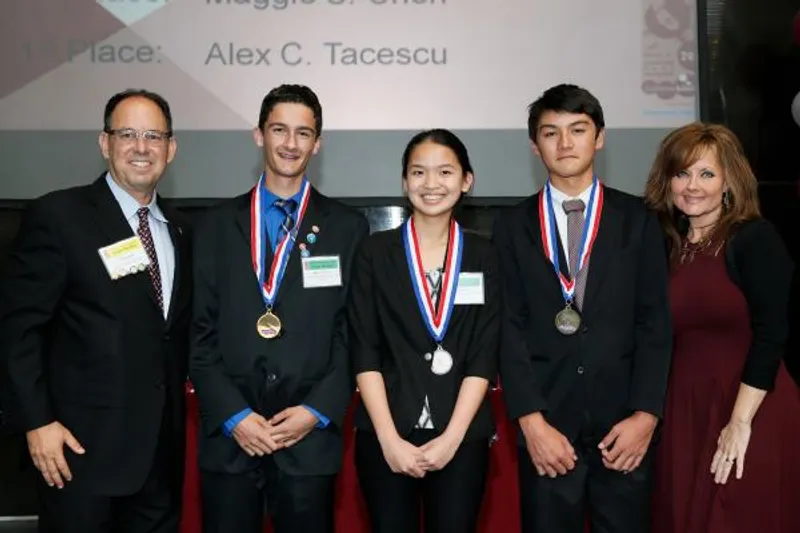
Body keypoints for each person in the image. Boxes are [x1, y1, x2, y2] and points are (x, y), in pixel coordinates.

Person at [0, 89, 191, 533]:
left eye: (153, 136)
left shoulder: (182, 229)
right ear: (104, 143)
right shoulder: (60, 216)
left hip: (159, 464)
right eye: (127, 134)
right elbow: (18, 330)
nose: (141, 148)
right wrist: (37, 422)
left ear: (172, 148)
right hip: (79, 458)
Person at [190, 84, 369, 533]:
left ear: (317, 143)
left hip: (308, 441)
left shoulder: (347, 228)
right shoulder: (213, 226)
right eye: (279, 130)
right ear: (258, 135)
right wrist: (234, 415)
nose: (291, 144)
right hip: (232, 439)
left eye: (303, 133)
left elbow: (354, 333)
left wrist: (317, 411)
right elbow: (199, 331)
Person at [493, 83, 672, 533]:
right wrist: (531, 423)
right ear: (535, 147)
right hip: (549, 430)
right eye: (551, 133)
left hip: (624, 429)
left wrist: (645, 416)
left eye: (578, 129)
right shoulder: (511, 225)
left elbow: (655, 324)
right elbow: (507, 328)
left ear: (601, 137)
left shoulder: (640, 219)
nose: (565, 143)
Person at [644, 122, 800, 533]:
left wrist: (740, 421)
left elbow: (772, 335)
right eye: (682, 173)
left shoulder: (754, 239)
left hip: (750, 408)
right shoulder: (668, 246)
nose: (692, 185)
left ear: (728, 180)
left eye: (706, 174)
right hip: (684, 412)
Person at [348, 129, 499, 533]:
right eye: (419, 172)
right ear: (404, 181)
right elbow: (365, 349)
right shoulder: (374, 253)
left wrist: (451, 439)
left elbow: (484, 354)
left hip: (460, 434)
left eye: (445, 172)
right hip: (386, 432)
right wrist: (390, 440)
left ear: (466, 180)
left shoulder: (485, 254)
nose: (431, 184)